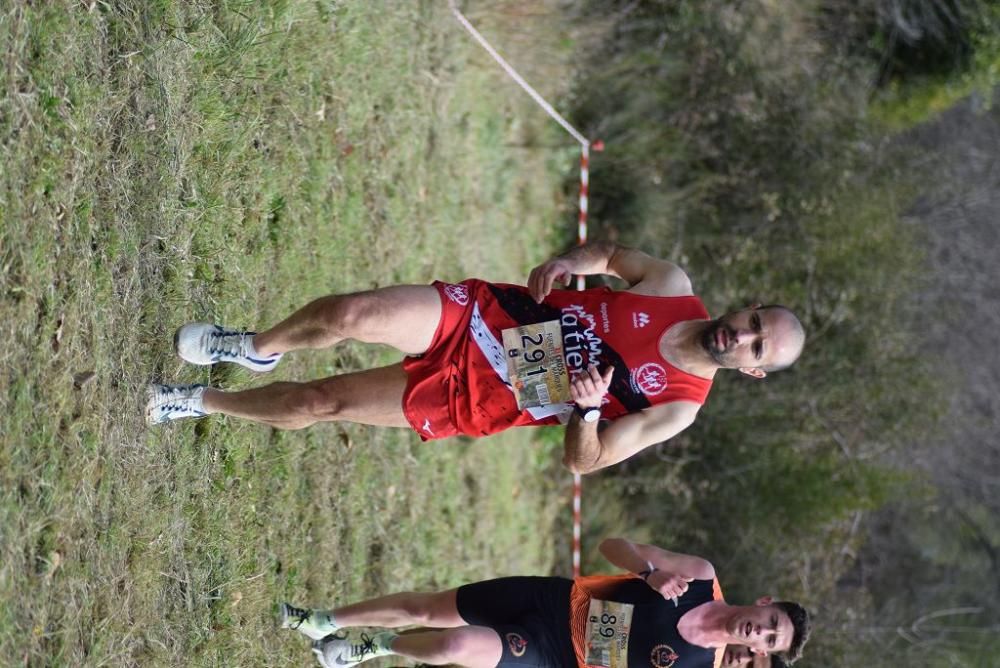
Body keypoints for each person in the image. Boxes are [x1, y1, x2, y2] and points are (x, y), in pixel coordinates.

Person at [146, 241, 805, 473]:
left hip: (490, 396)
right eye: (753, 322)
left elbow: (587, 462)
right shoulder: (672, 287)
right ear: (747, 307)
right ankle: (255, 348)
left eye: (756, 347)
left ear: (752, 369)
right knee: (350, 315)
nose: (741, 336)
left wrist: (588, 411)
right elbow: (607, 257)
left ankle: (199, 400)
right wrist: (567, 262)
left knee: (321, 403)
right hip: (490, 317)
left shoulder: (679, 408)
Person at [278, 537, 811, 667]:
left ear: (763, 653)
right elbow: (610, 546)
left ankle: (377, 645)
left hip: (554, 652)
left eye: (769, 641)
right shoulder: (698, 577)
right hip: (550, 598)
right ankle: (324, 619)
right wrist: (650, 573)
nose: (758, 634)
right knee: (428, 608)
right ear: (763, 603)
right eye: (768, 623)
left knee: (454, 646)